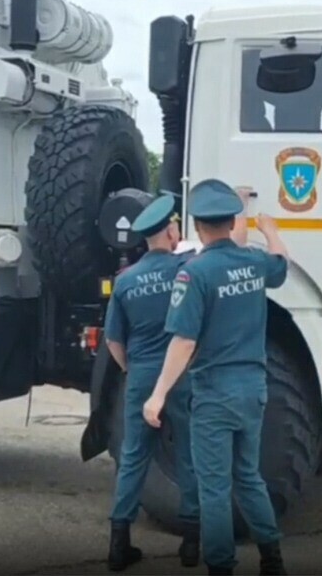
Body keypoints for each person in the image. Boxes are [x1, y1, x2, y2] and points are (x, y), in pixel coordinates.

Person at [142, 179, 290, 576]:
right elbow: (281, 264)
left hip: (214, 394)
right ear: (229, 222)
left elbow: (183, 343)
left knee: (214, 488)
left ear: (198, 226)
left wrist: (157, 395)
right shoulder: (254, 262)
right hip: (254, 390)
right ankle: (272, 560)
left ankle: (220, 566)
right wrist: (271, 231)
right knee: (248, 476)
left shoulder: (196, 273)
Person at [102, 193, 200, 571]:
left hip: (141, 376)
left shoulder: (126, 282)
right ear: (172, 231)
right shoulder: (186, 269)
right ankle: (191, 544)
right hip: (180, 374)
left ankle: (118, 543)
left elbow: (113, 341)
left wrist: (131, 368)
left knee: (134, 457)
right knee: (189, 454)